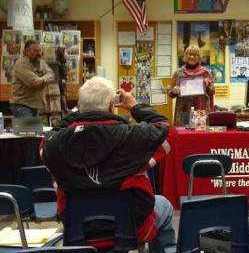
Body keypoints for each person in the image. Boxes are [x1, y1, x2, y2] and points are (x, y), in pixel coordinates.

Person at [42, 77, 175, 253]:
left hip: (79, 232)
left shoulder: (55, 145)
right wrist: (135, 106)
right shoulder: (131, 137)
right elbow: (167, 132)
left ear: (80, 106)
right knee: (164, 205)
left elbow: (46, 142)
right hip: (130, 229)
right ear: (112, 106)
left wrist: (78, 113)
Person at [168, 45, 214, 126]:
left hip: (200, 110)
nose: (192, 57)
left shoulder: (205, 72)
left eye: (195, 55)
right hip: (182, 110)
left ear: (199, 57)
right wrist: (173, 91)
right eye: (189, 54)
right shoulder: (178, 72)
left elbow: (212, 91)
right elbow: (170, 92)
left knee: (199, 134)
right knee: (182, 134)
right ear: (185, 56)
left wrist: (207, 86)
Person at [10, 40, 55, 118]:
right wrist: (45, 79)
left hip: (35, 106)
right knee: (29, 130)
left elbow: (52, 75)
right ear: (27, 51)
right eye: (35, 51)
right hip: (22, 105)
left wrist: (42, 79)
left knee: (34, 130)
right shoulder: (21, 64)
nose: (38, 53)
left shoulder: (40, 62)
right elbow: (34, 83)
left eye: (39, 50)